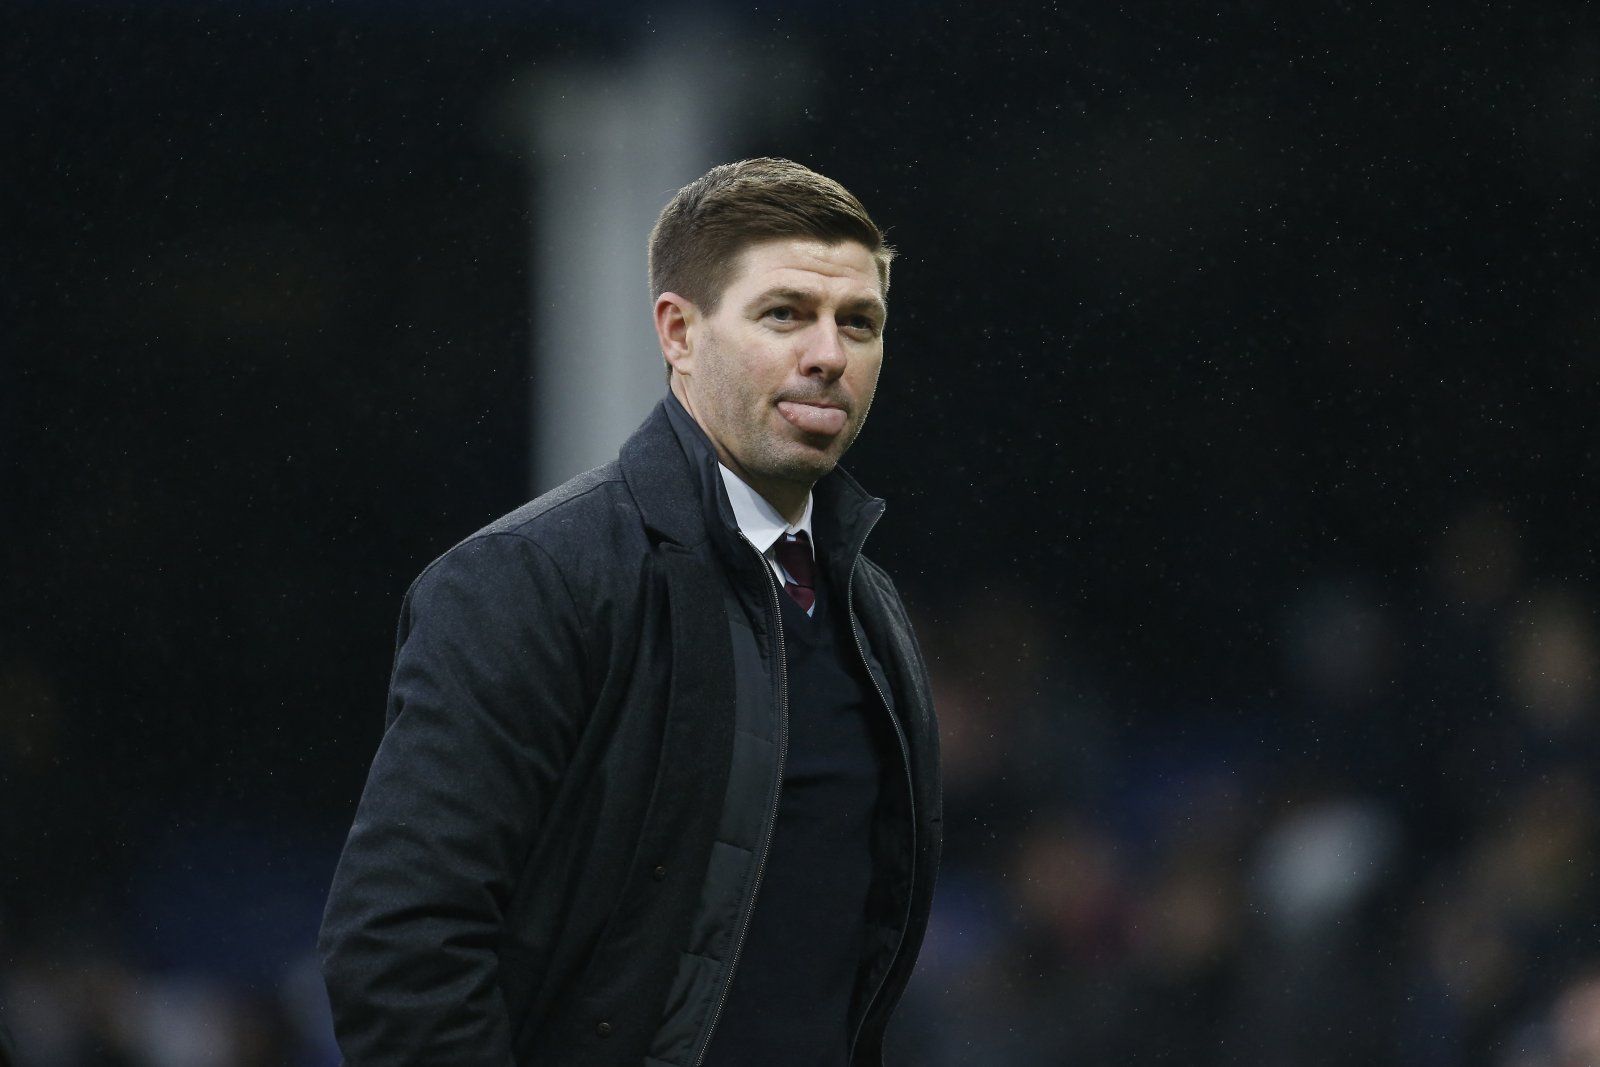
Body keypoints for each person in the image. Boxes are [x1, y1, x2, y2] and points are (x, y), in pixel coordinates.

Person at [318, 157, 943, 1066]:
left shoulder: (870, 609)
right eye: (784, 313)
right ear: (679, 332)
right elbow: (398, 947)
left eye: (859, 322)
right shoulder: (527, 579)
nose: (827, 354)